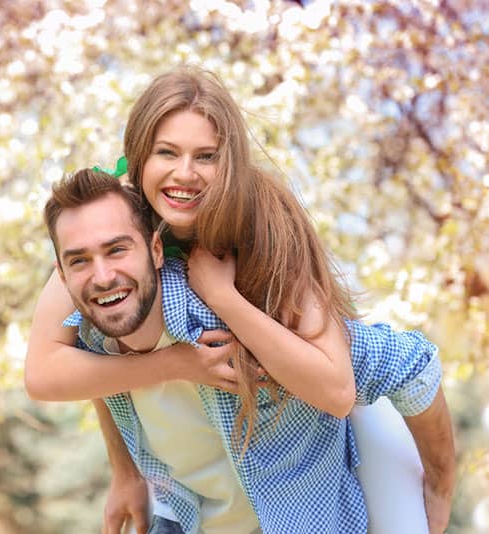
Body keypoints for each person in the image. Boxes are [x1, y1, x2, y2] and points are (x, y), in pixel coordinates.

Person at [26, 67, 455, 533]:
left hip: (345, 421)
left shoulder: (262, 227)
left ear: (228, 163)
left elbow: (343, 385)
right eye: (166, 152)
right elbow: (69, 355)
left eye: (206, 156)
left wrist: (222, 296)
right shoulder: (109, 228)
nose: (184, 175)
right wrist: (130, 462)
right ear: (137, 157)